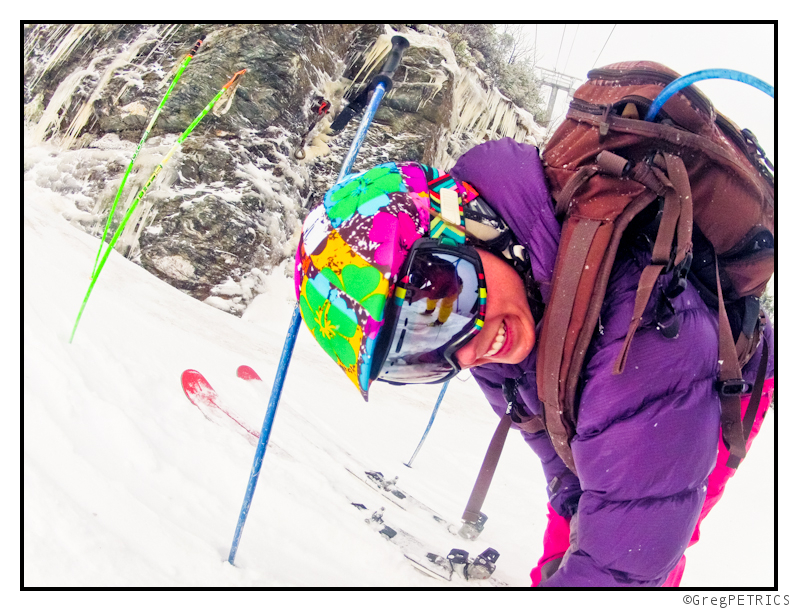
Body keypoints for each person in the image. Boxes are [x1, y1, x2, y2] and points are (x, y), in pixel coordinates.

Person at [294, 138, 774, 587]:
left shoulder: (636, 327)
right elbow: (545, 433)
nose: (464, 352)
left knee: (653, 539)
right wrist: (568, 519)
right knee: (576, 535)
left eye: (436, 305)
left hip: (711, 387)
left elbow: (629, 558)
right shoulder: (495, 306)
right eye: (415, 355)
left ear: (466, 222)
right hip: (610, 392)